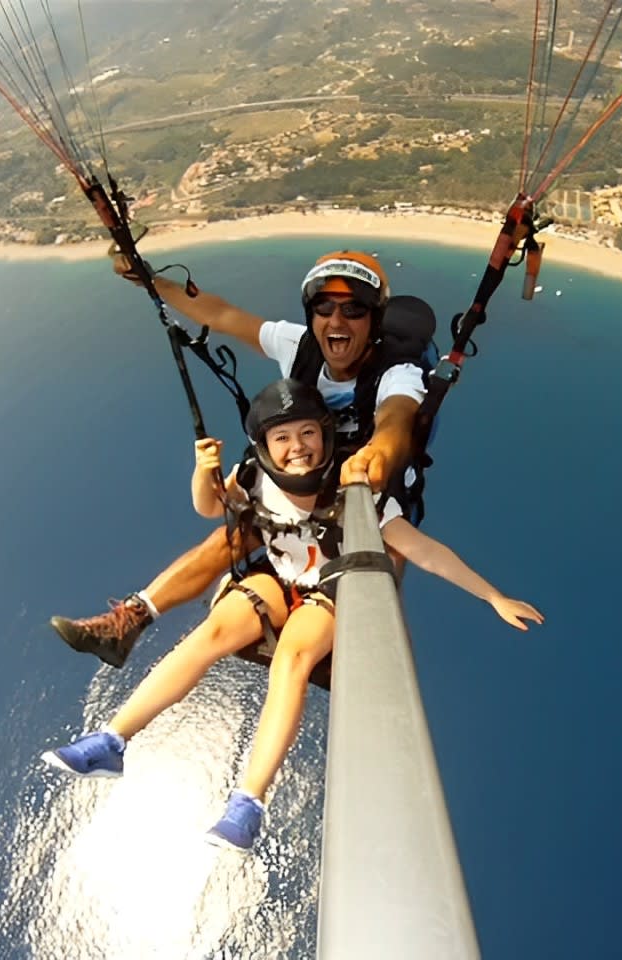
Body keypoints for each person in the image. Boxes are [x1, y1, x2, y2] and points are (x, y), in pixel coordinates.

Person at [42, 379, 543, 850]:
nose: (298, 447)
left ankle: (249, 800)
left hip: (330, 589)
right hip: (280, 580)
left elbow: (426, 551)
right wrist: (203, 470)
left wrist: (491, 596)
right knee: (212, 631)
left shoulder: (358, 496)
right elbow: (210, 506)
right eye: (282, 437)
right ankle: (112, 740)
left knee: (292, 658)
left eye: (308, 433)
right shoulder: (255, 478)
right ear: (264, 445)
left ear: (326, 436)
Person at [50, 251, 431, 669]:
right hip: (303, 482)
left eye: (354, 309)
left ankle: (380, 666)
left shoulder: (399, 373)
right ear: (312, 313)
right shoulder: (299, 344)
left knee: (382, 570)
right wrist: (153, 281)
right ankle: (129, 622)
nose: (336, 320)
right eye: (324, 307)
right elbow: (221, 313)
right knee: (227, 538)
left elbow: (396, 419)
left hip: (362, 496)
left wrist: (377, 454)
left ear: (374, 320)